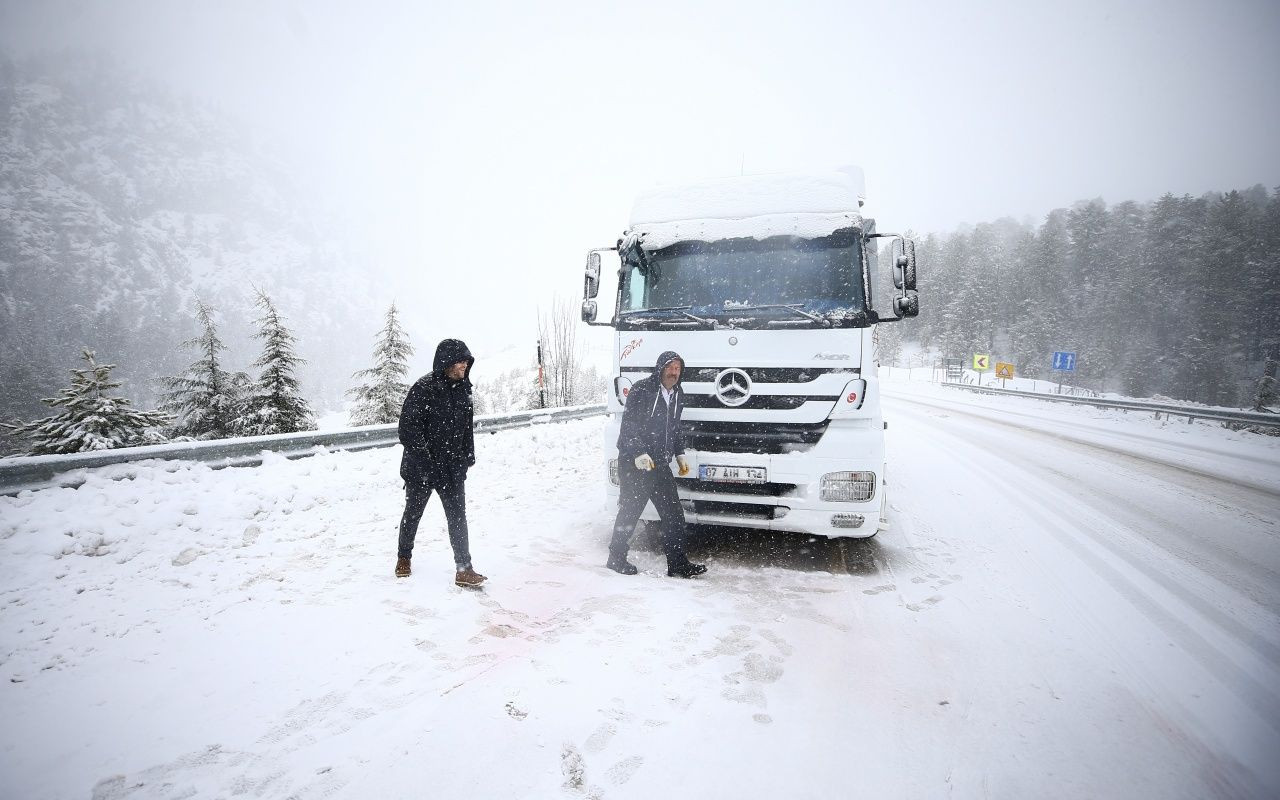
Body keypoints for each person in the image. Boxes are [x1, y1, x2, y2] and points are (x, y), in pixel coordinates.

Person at [607, 350, 707, 578]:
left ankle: (678, 564)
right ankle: (616, 558)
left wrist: (679, 453)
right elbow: (629, 425)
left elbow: (674, 427)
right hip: (636, 464)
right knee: (630, 512)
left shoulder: (677, 393)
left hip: (660, 464)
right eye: (670, 368)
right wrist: (639, 452)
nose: (674, 373)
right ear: (660, 368)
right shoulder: (642, 390)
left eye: (678, 369)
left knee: (674, 515)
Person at [395, 338, 486, 588]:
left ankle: (464, 569)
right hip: (421, 469)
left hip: (452, 468)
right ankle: (404, 557)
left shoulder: (464, 389)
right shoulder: (424, 388)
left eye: (467, 360)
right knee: (413, 514)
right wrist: (426, 461)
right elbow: (408, 430)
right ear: (446, 362)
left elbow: (466, 428)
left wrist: (468, 457)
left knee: (458, 517)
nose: (465, 364)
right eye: (460, 360)